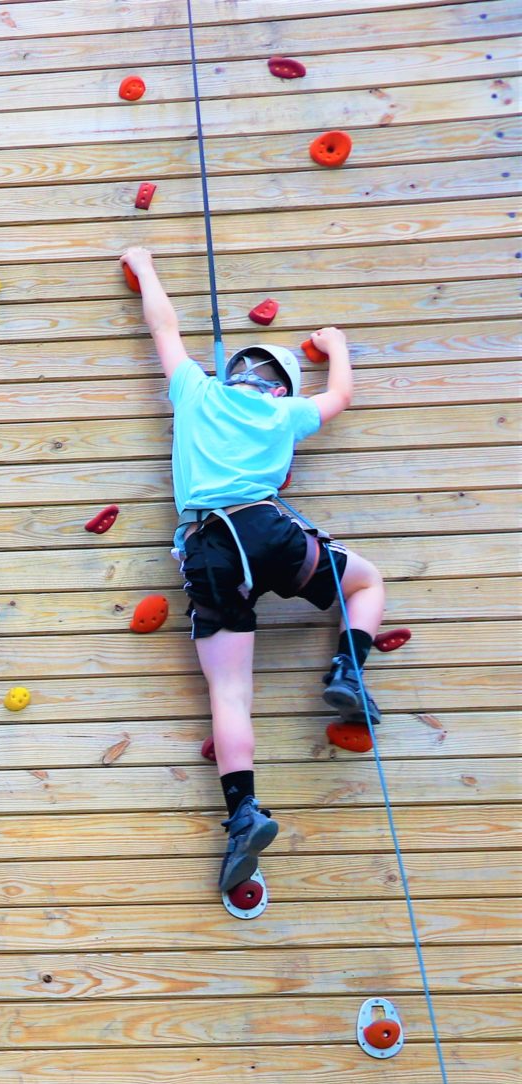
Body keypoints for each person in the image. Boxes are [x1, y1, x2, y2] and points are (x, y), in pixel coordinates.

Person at [121, 245, 380, 896]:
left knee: (230, 693)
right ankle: (348, 667)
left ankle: (244, 813)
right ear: (280, 388)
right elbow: (342, 395)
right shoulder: (283, 414)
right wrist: (337, 342)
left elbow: (164, 327)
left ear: (233, 373)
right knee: (365, 583)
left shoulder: (197, 391)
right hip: (267, 528)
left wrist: (145, 266)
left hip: (209, 542)